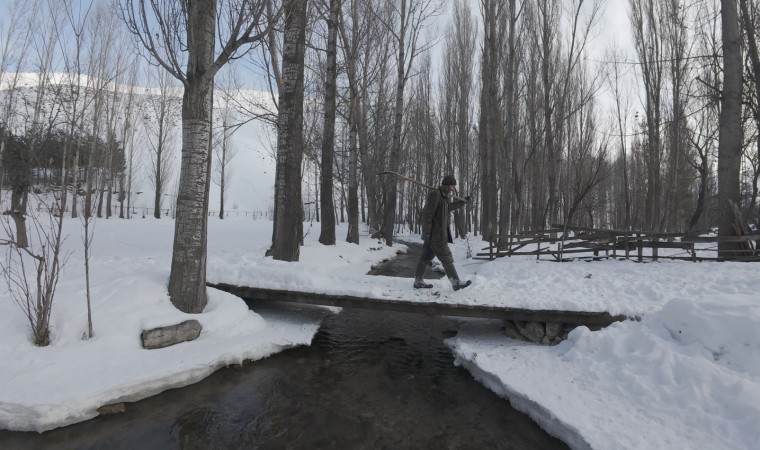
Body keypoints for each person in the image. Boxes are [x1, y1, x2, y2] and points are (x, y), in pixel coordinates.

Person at [414, 174, 472, 291]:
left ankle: (418, 281)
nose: (453, 188)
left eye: (454, 186)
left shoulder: (444, 196)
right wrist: (426, 233)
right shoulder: (436, 195)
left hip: (437, 234)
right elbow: (427, 214)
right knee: (446, 257)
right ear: (446, 185)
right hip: (436, 235)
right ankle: (456, 283)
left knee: (426, 257)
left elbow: (448, 208)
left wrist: (462, 202)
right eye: (452, 186)